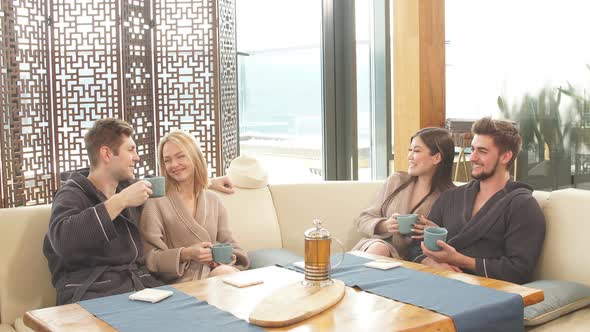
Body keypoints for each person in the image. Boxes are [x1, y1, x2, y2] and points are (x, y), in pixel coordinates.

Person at [43, 118, 234, 304]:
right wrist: (121, 201)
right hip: (92, 293)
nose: (137, 157)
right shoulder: (72, 193)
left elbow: (175, 181)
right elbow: (63, 241)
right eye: (131, 150)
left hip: (139, 288)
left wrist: (208, 182)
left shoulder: (126, 187)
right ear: (106, 154)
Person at [409, 117, 546, 284]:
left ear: (505, 157)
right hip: (437, 280)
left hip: (486, 290)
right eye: (472, 149)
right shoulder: (450, 197)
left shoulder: (522, 206)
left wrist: (460, 260)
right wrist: (431, 262)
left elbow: (518, 271)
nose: (472, 157)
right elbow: (415, 246)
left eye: (482, 151)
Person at [139, 130, 249, 283]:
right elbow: (149, 257)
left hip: (219, 274)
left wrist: (220, 257)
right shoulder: (156, 202)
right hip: (183, 282)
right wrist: (186, 253)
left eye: (180, 156)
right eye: (167, 160)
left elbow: (232, 247)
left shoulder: (213, 200)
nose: (174, 165)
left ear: (195, 156)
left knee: (225, 273)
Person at [353, 127, 455, 260]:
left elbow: (456, 237)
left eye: (416, 151)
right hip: (376, 247)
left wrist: (433, 231)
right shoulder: (396, 181)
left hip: (416, 258)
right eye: (410, 150)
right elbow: (363, 220)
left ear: (436, 158)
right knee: (380, 248)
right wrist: (385, 225)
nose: (409, 157)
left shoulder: (451, 196)